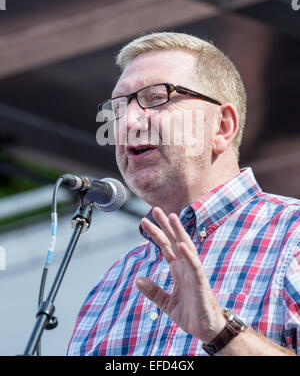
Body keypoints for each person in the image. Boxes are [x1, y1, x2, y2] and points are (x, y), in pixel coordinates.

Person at [67, 32, 300, 356]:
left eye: (156, 97)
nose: (130, 120)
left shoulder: (294, 236)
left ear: (222, 126)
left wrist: (222, 332)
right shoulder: (110, 286)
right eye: (118, 107)